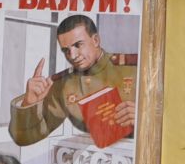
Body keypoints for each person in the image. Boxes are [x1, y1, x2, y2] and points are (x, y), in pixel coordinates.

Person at [9, 14, 135, 147]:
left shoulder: (132, 68)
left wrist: (143, 118)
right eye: (66, 50)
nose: (72, 56)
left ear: (96, 40)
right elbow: (23, 138)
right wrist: (29, 103)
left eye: (78, 45)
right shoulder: (64, 84)